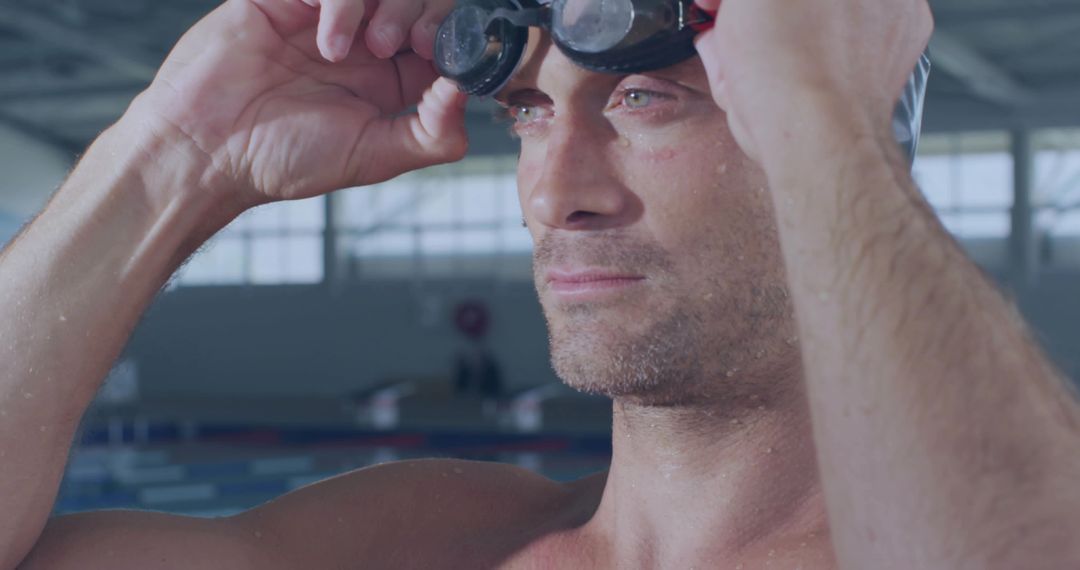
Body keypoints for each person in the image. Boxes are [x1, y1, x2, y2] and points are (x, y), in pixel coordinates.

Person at [2, 0, 1079, 567]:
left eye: (648, 99)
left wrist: (831, 120)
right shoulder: (418, 545)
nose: (552, 192)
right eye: (525, 113)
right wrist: (172, 156)